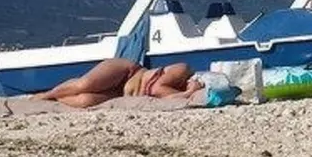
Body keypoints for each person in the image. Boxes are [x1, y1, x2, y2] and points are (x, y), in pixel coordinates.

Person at [29, 58, 205, 108]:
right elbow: (156, 89)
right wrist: (188, 93)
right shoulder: (183, 70)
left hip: (121, 94)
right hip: (128, 73)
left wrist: (187, 94)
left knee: (85, 101)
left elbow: (166, 98)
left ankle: (56, 99)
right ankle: (47, 94)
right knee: (84, 85)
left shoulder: (182, 92)